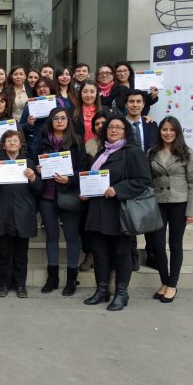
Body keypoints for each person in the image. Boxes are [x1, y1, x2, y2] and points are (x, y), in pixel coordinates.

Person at [83, 115, 152, 311]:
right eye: (110, 127)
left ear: (125, 132)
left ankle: (121, 293)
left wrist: (118, 190)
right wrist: (86, 193)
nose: (113, 130)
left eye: (118, 128)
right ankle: (101, 290)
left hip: (120, 213)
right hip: (97, 212)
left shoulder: (132, 153)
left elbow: (143, 180)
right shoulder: (101, 154)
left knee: (121, 254)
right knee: (100, 253)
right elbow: (95, 180)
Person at [36, 108, 87, 296]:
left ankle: (72, 279)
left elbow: (83, 169)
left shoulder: (77, 142)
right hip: (47, 196)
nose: (59, 121)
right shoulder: (42, 142)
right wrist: (38, 168)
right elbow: (34, 163)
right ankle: (53, 277)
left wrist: (69, 180)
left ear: (68, 121)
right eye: (55, 118)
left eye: (63, 118)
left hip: (69, 195)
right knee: (51, 237)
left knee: (72, 237)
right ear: (50, 121)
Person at [148, 116, 193, 303]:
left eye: (171, 130)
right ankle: (165, 281)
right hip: (158, 203)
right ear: (159, 131)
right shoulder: (151, 152)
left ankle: (172, 284)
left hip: (179, 203)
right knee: (158, 245)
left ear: (177, 132)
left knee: (175, 244)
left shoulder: (187, 153)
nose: (167, 133)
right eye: (164, 129)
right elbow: (148, 181)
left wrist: (191, 211)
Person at [0, 130, 42, 298]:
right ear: (3, 145)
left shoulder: (29, 163)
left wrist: (33, 177)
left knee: (21, 253)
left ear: (20, 144)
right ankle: (4, 284)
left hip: (23, 213)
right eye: (8, 141)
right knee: (4, 252)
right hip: (3, 212)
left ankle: (20, 285)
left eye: (15, 140)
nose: (12, 143)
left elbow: (39, 190)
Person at [125, 89, 159, 270]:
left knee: (149, 213)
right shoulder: (119, 125)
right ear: (126, 104)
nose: (135, 105)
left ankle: (151, 253)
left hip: (148, 175)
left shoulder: (151, 125)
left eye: (138, 101)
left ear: (144, 105)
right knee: (129, 215)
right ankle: (132, 256)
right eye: (131, 101)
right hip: (127, 176)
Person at [79, 110, 110, 272]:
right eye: (96, 124)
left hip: (112, 194)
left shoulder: (121, 144)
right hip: (92, 193)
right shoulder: (89, 144)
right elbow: (84, 169)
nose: (100, 126)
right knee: (87, 226)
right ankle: (89, 253)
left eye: (103, 123)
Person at [20, 76, 60, 160]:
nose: (41, 89)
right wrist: (28, 124)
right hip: (34, 145)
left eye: (45, 86)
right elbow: (20, 128)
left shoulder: (58, 104)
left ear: (51, 87)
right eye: (38, 87)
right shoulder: (30, 105)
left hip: (55, 144)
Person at [72, 79, 111, 144]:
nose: (88, 95)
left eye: (92, 92)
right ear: (80, 93)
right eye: (85, 91)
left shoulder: (105, 110)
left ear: (97, 93)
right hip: (79, 149)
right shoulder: (72, 111)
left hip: (102, 148)